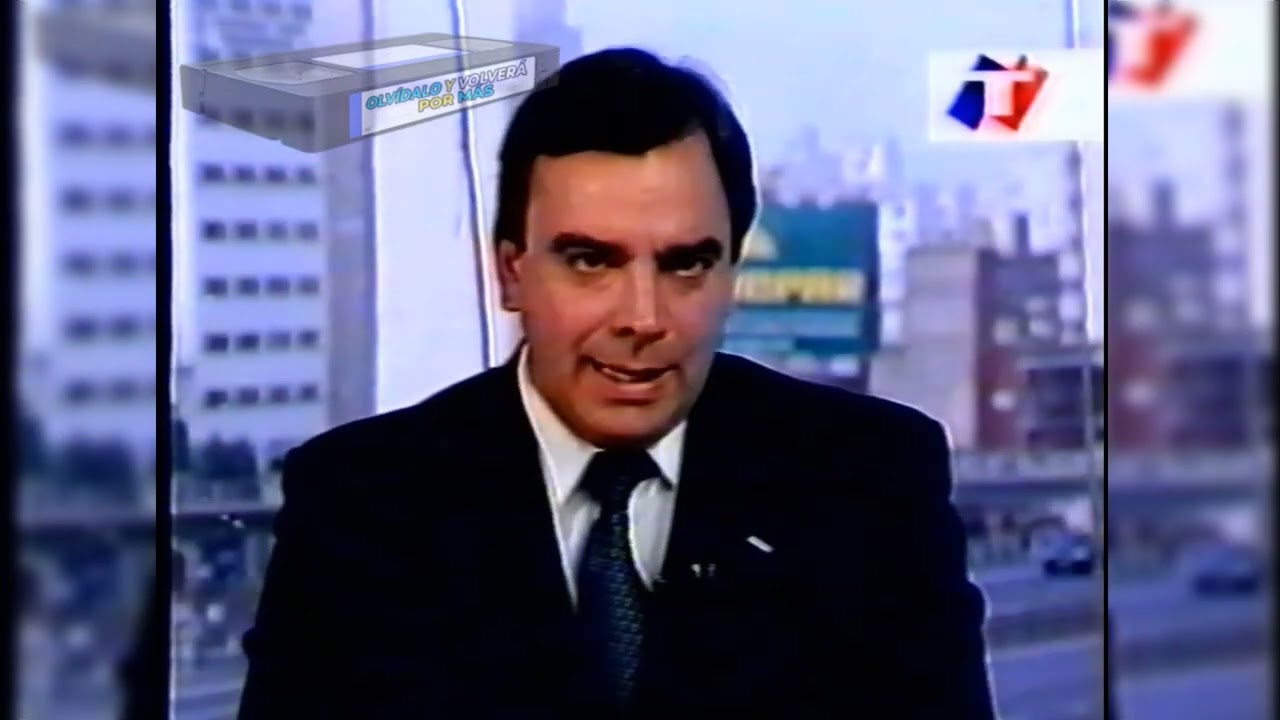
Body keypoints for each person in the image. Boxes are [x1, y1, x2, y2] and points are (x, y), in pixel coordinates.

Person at [238, 47, 995, 718]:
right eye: (591, 261)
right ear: (511, 271)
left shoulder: (870, 482)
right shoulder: (360, 504)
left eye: (685, 264)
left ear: (732, 272)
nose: (642, 317)